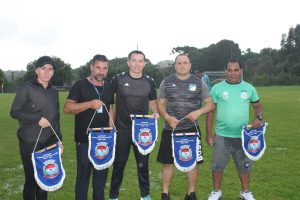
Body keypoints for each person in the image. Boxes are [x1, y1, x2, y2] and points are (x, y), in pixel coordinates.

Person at [157, 54, 215, 200]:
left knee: (192, 163)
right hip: (170, 129)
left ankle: (191, 193)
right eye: (179, 63)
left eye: (185, 63)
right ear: (175, 65)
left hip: (191, 129)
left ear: (190, 65)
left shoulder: (200, 82)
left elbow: (210, 104)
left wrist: (199, 112)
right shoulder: (166, 82)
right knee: (167, 163)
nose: (182, 65)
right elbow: (160, 104)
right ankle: (165, 193)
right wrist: (167, 117)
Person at [206, 59, 263, 200]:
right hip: (222, 135)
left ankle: (245, 192)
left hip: (243, 135)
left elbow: (258, 107)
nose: (232, 73)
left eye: (236, 70)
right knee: (217, 165)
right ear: (226, 71)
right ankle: (216, 191)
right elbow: (210, 112)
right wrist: (208, 134)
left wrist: (258, 118)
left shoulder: (249, 88)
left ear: (241, 71)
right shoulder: (216, 88)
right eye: (229, 70)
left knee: (244, 165)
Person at [10, 55, 63, 200]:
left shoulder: (54, 91)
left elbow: (56, 117)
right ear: (37, 70)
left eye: (50, 69)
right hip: (30, 140)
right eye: (43, 68)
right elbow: (14, 112)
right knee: (31, 181)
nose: (47, 72)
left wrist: (59, 139)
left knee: (44, 180)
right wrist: (36, 119)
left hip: (50, 141)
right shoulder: (27, 88)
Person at [109, 50, 159, 200]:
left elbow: (152, 102)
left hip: (142, 130)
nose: (137, 64)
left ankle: (145, 195)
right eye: (134, 60)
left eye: (140, 61)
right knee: (119, 165)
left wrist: (155, 112)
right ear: (128, 62)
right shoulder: (118, 79)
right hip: (122, 129)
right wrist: (111, 124)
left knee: (143, 165)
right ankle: (113, 196)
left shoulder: (149, 81)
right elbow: (109, 102)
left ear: (144, 63)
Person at [63, 54, 114, 200]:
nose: (101, 71)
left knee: (100, 180)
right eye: (98, 67)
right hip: (84, 140)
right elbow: (67, 107)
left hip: (103, 140)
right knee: (83, 179)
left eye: (104, 68)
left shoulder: (109, 86)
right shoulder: (80, 85)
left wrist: (112, 131)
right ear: (91, 67)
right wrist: (89, 104)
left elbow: (110, 109)